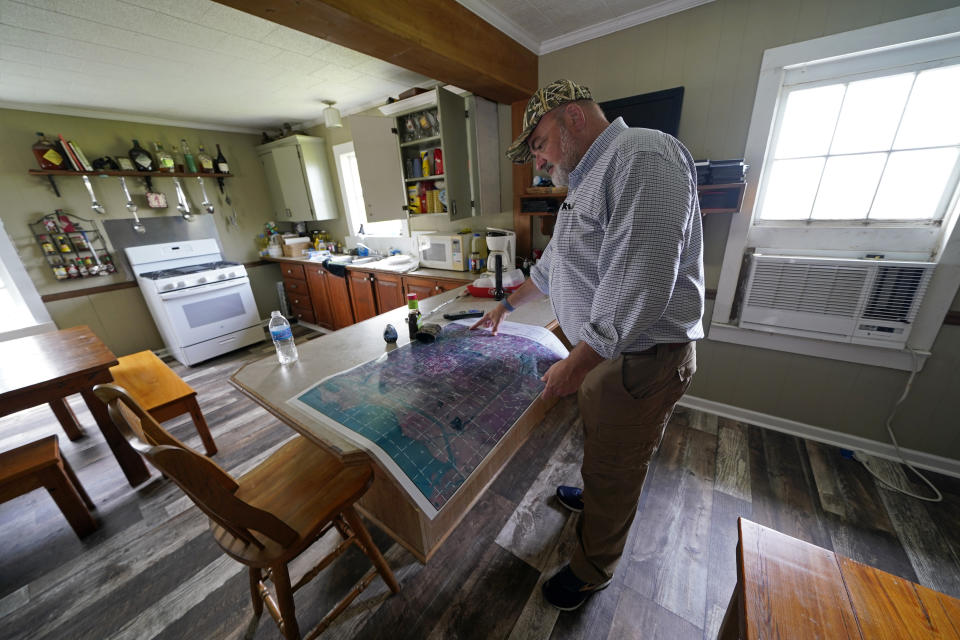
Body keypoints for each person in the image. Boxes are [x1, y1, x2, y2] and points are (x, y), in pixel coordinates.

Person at [471, 79, 704, 611]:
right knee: (602, 448)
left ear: (572, 117)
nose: (540, 162)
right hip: (609, 358)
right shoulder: (586, 181)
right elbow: (553, 268)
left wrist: (577, 363)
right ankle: (594, 497)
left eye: (539, 144)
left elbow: (641, 281)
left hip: (639, 359)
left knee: (618, 466)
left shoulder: (643, 155)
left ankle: (593, 568)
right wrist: (503, 305)